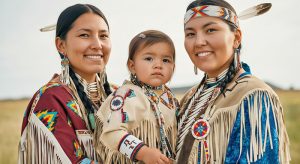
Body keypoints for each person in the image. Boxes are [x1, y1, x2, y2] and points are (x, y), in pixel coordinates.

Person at [175, 0, 290, 163]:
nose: (199, 42)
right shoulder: (190, 97)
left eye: (210, 30)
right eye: (190, 34)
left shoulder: (254, 97)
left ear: (236, 38)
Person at [18, 4, 116, 164]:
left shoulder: (121, 94)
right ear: (61, 45)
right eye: (85, 35)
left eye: (103, 36)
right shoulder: (50, 100)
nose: (98, 44)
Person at [93, 30, 178, 164]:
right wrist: (142, 152)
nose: (158, 65)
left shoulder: (171, 98)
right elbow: (111, 133)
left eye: (166, 60)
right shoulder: (127, 95)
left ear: (173, 67)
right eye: (149, 58)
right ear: (132, 66)